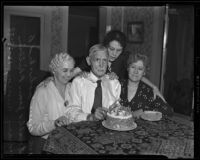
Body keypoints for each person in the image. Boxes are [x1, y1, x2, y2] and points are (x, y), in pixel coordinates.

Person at [72, 30, 164, 101]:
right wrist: (80, 75)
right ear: (105, 46)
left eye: (118, 50)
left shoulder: (124, 57)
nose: (114, 54)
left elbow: (136, 73)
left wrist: (154, 87)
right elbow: (71, 74)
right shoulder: (96, 55)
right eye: (111, 49)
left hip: (115, 98)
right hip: (92, 97)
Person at [26, 52, 75, 153]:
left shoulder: (73, 88)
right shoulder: (42, 91)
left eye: (71, 70)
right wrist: (54, 123)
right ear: (54, 71)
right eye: (65, 70)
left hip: (70, 144)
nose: (69, 74)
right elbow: (33, 127)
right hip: (46, 146)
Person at [64, 44, 121, 123]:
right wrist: (90, 117)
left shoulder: (114, 83)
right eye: (97, 60)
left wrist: (113, 113)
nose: (101, 65)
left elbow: (117, 110)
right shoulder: (79, 82)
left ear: (108, 62)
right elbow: (71, 112)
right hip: (84, 129)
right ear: (88, 61)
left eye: (104, 60)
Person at [119, 53, 173, 118]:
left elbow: (168, 111)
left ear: (144, 72)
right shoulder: (117, 85)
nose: (135, 71)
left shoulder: (148, 91)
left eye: (140, 69)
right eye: (133, 67)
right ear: (128, 68)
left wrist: (143, 111)